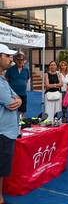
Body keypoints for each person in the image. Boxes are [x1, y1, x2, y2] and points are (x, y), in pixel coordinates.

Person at [0, 44, 22, 204]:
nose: (11, 58)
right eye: (7, 56)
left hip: (7, 131)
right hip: (3, 132)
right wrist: (17, 100)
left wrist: (19, 99)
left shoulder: (3, 79)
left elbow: (16, 97)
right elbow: (10, 101)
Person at [5, 52, 30, 118]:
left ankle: (21, 126)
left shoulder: (26, 70)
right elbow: (6, 80)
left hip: (23, 94)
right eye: (18, 59)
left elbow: (27, 79)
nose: (20, 61)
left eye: (21, 60)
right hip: (13, 95)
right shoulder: (10, 69)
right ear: (15, 60)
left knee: (22, 112)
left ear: (23, 61)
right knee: (13, 111)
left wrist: (22, 85)